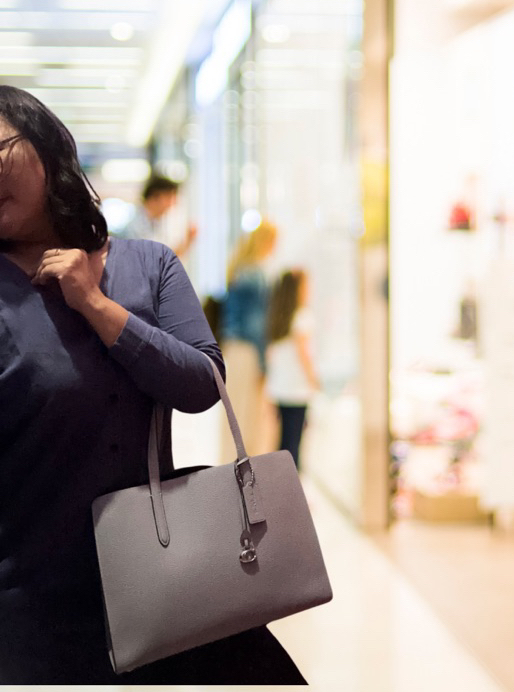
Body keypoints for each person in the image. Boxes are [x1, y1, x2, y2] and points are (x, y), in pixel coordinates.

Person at [0, 86, 305, 684]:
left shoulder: (148, 265)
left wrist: (94, 304)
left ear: (47, 145)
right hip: (31, 596)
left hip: (165, 575)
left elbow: (200, 385)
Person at [219, 221, 278, 460]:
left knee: (235, 416)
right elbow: (256, 324)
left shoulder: (240, 269)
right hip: (249, 351)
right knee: (248, 416)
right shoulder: (255, 275)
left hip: (234, 349)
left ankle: (230, 469)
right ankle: (244, 476)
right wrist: (264, 362)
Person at [267, 269, 319, 470]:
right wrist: (314, 379)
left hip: (280, 390)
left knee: (284, 443)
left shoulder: (279, 320)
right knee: (293, 445)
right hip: (297, 391)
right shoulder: (302, 317)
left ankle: (281, 486)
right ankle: (290, 491)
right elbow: (304, 354)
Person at [118, 173, 197, 259]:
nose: (173, 203)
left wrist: (188, 240)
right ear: (156, 196)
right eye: (170, 197)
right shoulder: (136, 225)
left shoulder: (153, 222)